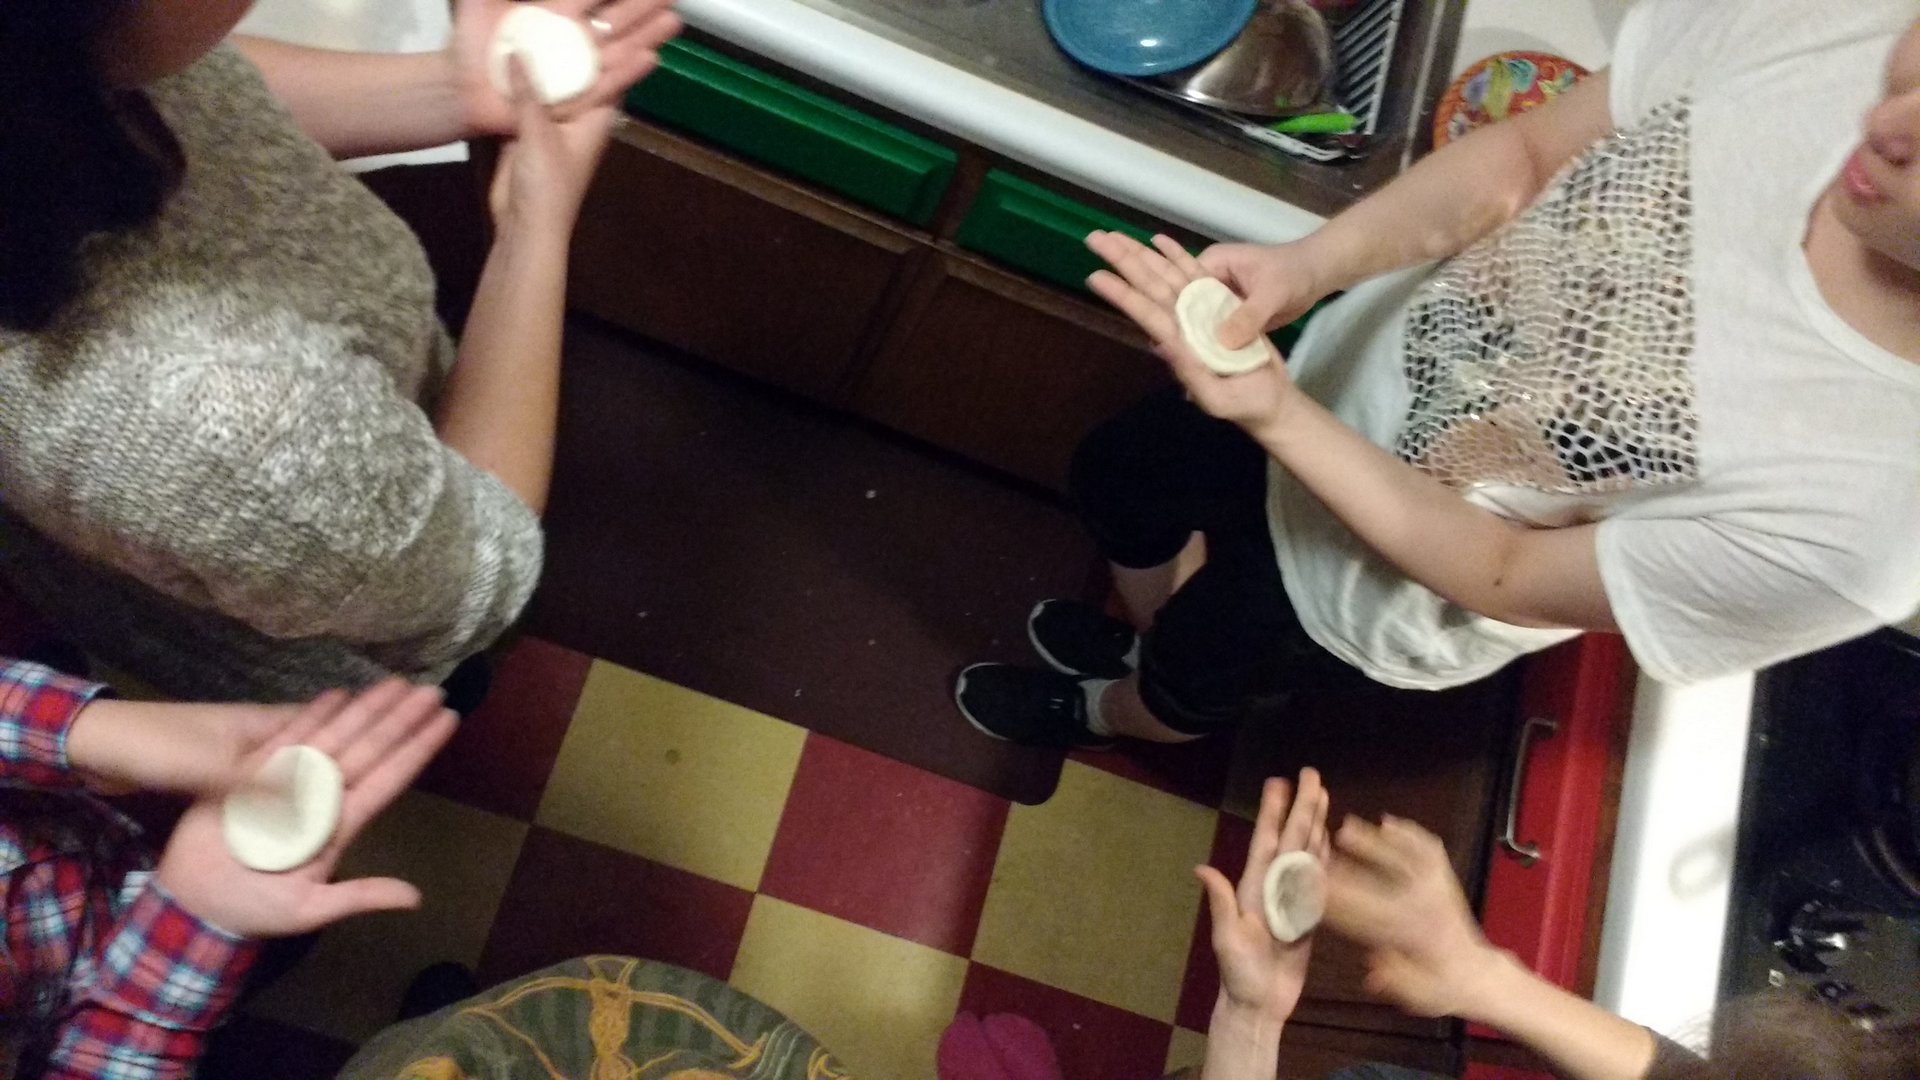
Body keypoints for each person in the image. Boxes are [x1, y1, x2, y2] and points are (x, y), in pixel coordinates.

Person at [954, 0, 1920, 748]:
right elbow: (1528, 155)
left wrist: (1277, 416)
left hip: (1373, 585)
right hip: (1325, 373)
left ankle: (1104, 712)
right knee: (1119, 475)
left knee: (1193, 676)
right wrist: (1308, 268)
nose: (1886, 123)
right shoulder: (1847, 22)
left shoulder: (1870, 519)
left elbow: (1507, 570)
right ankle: (1143, 629)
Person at [0, 0, 679, 703]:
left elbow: (180, 80)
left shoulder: (48, 90)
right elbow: (481, 566)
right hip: (337, 646)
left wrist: (453, 86)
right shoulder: (234, 429)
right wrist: (532, 231)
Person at [0, 667, 458, 1080]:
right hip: (133, 965)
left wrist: (83, 732)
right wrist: (198, 925)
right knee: (284, 944)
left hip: (83, 822)